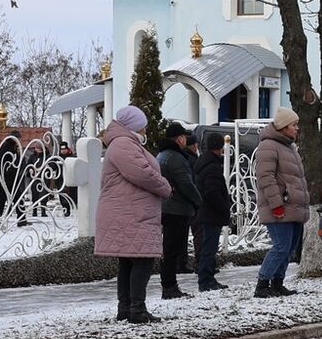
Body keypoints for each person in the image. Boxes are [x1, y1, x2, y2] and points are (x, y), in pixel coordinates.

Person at [96, 105, 170, 323]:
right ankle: (136, 309)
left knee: (130, 262)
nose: (145, 132)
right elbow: (143, 174)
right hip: (130, 215)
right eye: (143, 127)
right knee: (141, 260)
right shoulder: (123, 144)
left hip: (131, 213)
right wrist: (165, 187)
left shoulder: (123, 143)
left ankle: (127, 309)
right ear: (135, 127)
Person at [253, 106, 310, 297]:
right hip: (280, 207)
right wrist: (276, 204)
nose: (297, 128)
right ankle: (262, 284)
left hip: (292, 206)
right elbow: (265, 178)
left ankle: (278, 282)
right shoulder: (268, 146)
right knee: (281, 246)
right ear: (284, 126)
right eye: (294, 124)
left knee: (289, 248)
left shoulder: (288, 146)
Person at [154, 121, 202, 299]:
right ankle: (169, 286)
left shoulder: (162, 155)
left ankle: (169, 285)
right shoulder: (175, 158)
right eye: (184, 137)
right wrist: (198, 201)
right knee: (172, 250)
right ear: (180, 138)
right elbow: (186, 184)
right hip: (176, 208)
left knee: (170, 249)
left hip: (166, 207)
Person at [191, 127, 233, 291]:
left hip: (205, 211)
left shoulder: (204, 163)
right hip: (211, 213)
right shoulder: (213, 167)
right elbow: (213, 192)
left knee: (207, 246)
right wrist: (224, 207)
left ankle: (206, 278)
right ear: (220, 147)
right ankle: (206, 279)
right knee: (209, 247)